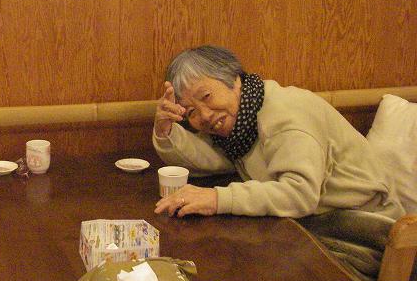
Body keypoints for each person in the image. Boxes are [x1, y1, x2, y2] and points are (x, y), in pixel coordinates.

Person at [152, 45, 403, 221]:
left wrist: (217, 199)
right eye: (191, 112)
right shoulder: (240, 127)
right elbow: (213, 160)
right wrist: (166, 131)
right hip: (317, 222)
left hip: (366, 229)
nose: (205, 115)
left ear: (234, 79)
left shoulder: (285, 114)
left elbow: (299, 195)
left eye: (206, 96)